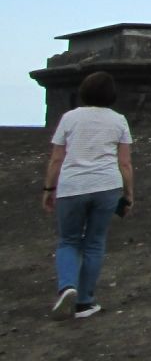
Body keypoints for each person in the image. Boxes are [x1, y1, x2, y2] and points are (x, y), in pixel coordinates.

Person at [42, 71, 135, 320]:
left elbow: (57, 158)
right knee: (94, 242)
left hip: (72, 187)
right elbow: (124, 163)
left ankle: (67, 285)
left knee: (68, 240)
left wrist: (49, 189)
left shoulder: (69, 118)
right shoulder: (119, 121)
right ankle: (85, 303)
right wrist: (128, 195)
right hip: (106, 187)